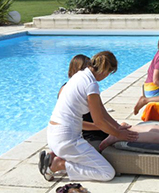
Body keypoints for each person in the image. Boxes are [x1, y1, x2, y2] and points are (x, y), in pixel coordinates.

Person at [39, 51, 138, 182]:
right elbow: (99, 121)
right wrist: (119, 135)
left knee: (90, 159)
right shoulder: (91, 84)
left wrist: (118, 127)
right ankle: (59, 165)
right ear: (105, 70)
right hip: (67, 139)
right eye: (109, 73)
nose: (107, 76)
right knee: (107, 173)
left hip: (53, 135)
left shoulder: (79, 76)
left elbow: (102, 111)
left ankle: (58, 157)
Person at [58, 54, 108, 141]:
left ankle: (53, 153)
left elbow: (103, 113)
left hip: (82, 130)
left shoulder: (65, 88)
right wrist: (102, 126)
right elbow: (73, 122)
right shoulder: (89, 88)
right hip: (89, 132)